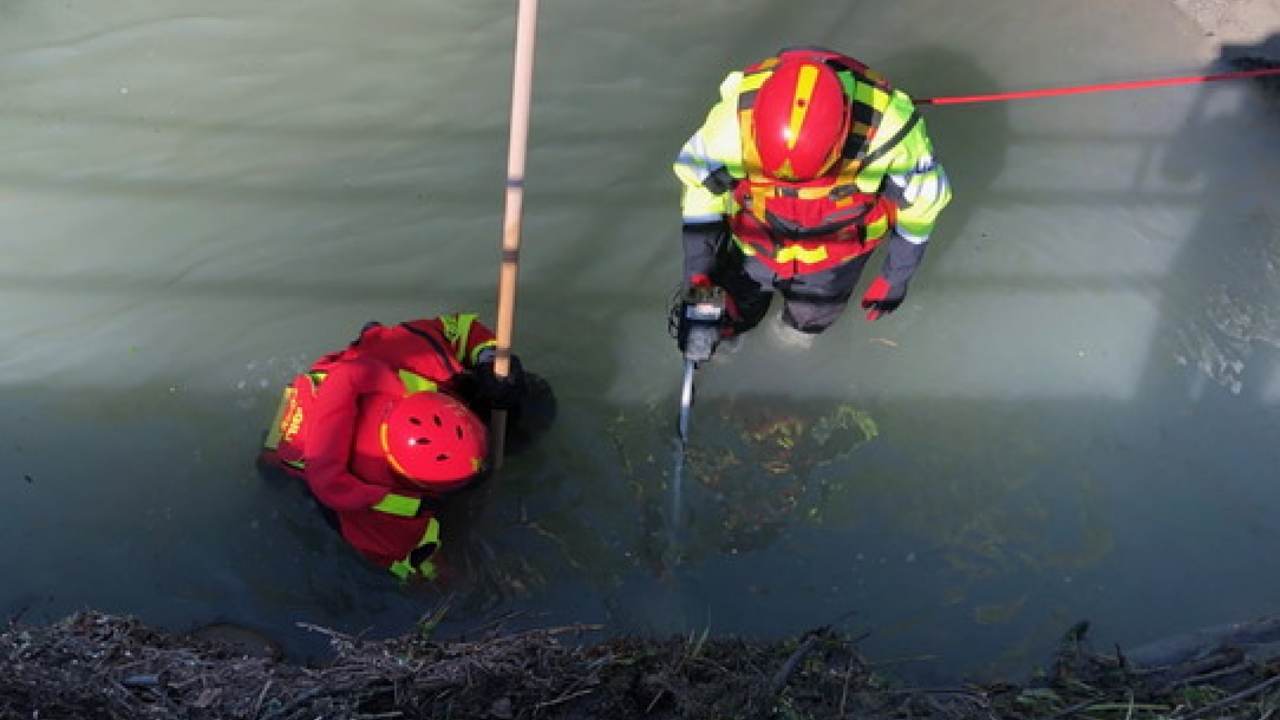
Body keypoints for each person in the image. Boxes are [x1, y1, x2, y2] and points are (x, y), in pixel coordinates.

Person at [672, 46, 953, 351]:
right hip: (753, 244)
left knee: (806, 324)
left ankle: (791, 340)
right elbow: (700, 191)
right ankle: (734, 335)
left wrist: (896, 276)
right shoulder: (728, 127)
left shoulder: (891, 133)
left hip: (833, 263)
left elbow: (922, 207)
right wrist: (699, 271)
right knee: (735, 306)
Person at [259, 313, 527, 581]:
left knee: (525, 397)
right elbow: (423, 571)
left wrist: (489, 359)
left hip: (352, 375)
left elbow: (460, 328)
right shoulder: (379, 514)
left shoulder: (414, 354)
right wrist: (447, 575)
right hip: (298, 452)